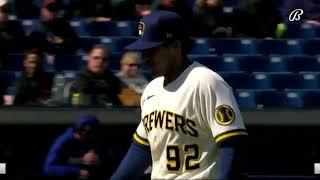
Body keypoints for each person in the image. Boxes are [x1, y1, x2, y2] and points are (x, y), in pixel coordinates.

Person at [111, 11, 248, 180]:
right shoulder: (151, 89)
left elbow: (232, 144)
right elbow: (141, 150)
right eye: (143, 51)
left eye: (152, 50)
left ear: (175, 46)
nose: (146, 58)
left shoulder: (206, 82)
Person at [43, 114, 103, 180]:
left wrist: (95, 159)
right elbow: (48, 168)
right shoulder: (64, 140)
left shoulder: (87, 140)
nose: (93, 136)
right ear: (84, 132)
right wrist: (77, 171)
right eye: (92, 133)